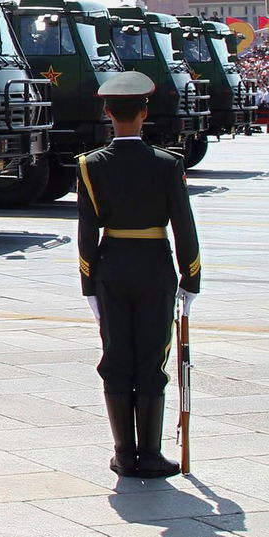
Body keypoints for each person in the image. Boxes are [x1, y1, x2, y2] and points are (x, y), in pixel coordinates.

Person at [77, 71, 201, 478]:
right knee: (151, 357)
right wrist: (191, 278)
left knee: (116, 358)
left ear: (108, 113)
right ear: (144, 112)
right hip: (154, 268)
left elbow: (86, 233)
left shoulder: (90, 166)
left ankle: (123, 454)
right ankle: (149, 454)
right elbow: (184, 226)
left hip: (112, 268)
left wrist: (89, 286)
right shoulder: (168, 164)